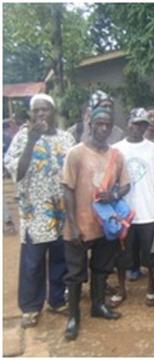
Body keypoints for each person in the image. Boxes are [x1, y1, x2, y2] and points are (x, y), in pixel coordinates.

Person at [4, 94, 75, 328]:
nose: (41, 114)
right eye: (36, 111)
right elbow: (18, 172)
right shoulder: (22, 138)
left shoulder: (66, 138)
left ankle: (56, 299)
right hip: (35, 213)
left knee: (60, 260)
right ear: (31, 114)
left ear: (53, 112)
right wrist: (31, 142)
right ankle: (31, 307)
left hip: (61, 211)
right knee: (32, 263)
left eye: (45, 110)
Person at [61, 106, 130, 341]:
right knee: (75, 274)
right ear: (90, 125)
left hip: (106, 225)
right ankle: (73, 318)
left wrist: (115, 195)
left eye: (107, 125)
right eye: (99, 124)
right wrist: (73, 224)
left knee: (101, 269)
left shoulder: (116, 155)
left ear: (112, 129)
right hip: (79, 226)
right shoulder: (76, 153)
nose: (103, 128)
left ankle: (98, 306)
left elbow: (125, 184)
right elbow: (67, 190)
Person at [110, 108, 154, 308]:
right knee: (122, 254)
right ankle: (121, 288)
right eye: (136, 123)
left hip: (148, 212)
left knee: (150, 254)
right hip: (124, 213)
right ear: (128, 123)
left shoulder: (153, 149)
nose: (139, 128)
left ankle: (151, 288)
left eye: (143, 124)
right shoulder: (116, 149)